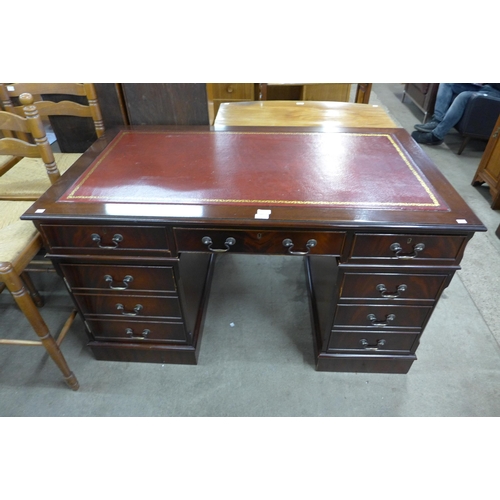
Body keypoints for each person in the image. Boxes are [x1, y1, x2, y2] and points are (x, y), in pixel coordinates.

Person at [411, 83, 500, 145]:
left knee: (463, 96)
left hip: (496, 93)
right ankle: (437, 121)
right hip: (485, 86)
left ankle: (437, 136)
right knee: (447, 82)